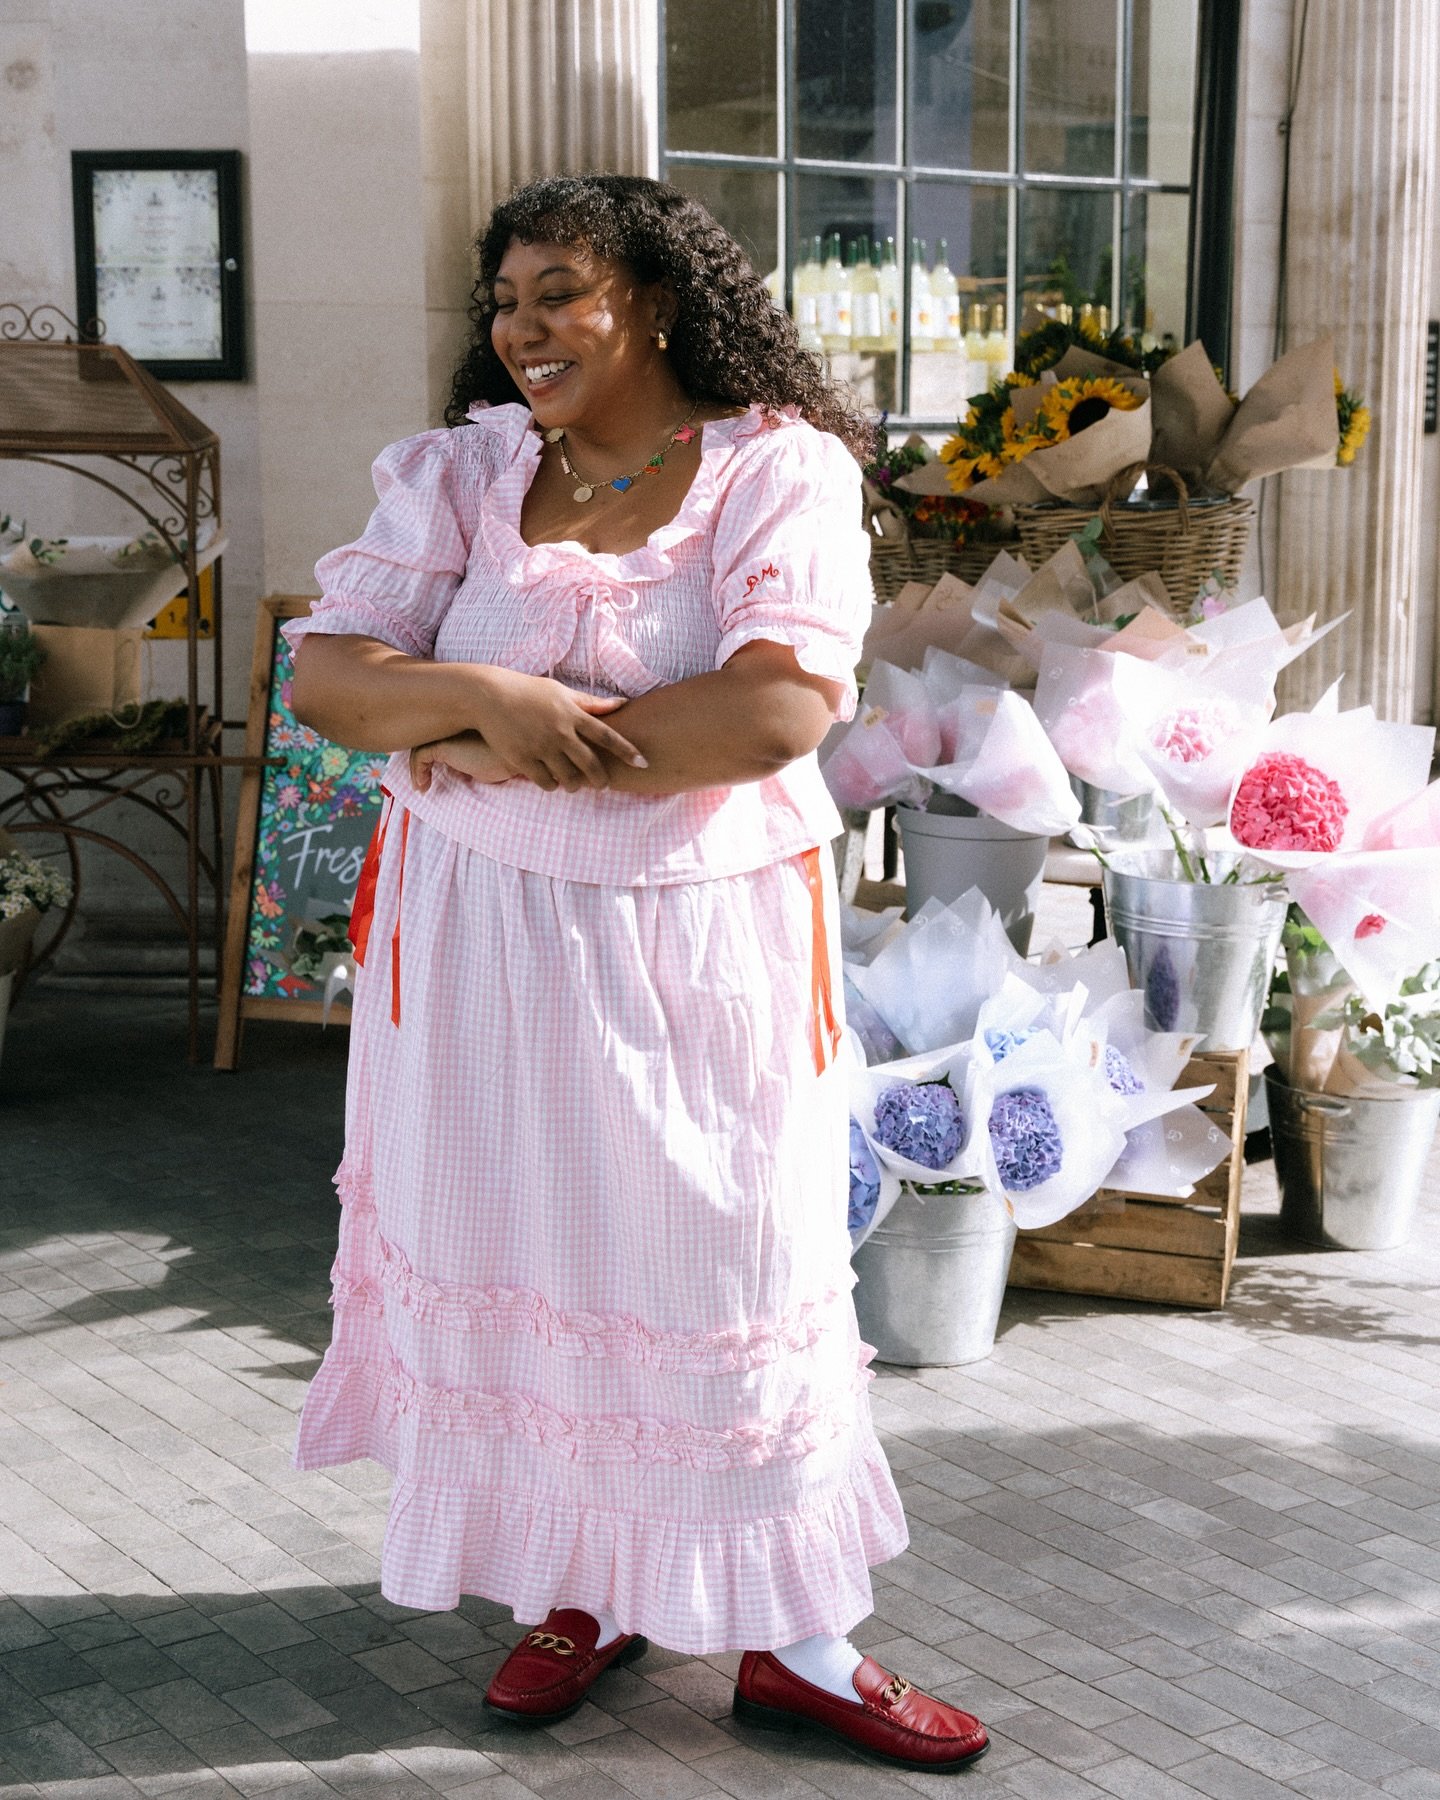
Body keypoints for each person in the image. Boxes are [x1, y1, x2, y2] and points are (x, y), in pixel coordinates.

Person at [287, 173, 988, 1774]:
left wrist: (475, 736)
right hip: (472, 949)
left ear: (657, 300)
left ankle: (799, 1644)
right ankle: (579, 1585)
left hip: (692, 942)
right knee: (527, 1242)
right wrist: (489, 692)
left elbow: (768, 716)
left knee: (716, 1259)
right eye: (508, 300)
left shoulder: (773, 470)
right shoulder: (462, 469)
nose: (523, 328)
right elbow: (332, 679)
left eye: (562, 294)